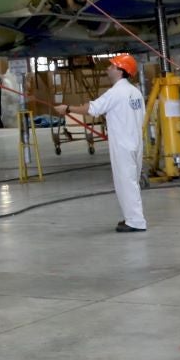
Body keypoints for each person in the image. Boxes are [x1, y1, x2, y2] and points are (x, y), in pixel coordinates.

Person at [54, 53, 146, 233]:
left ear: (121, 71)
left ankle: (136, 221)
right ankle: (132, 217)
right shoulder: (135, 92)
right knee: (131, 181)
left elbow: (92, 109)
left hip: (122, 145)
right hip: (135, 142)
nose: (108, 69)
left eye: (112, 66)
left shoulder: (116, 92)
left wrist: (68, 109)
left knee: (125, 182)